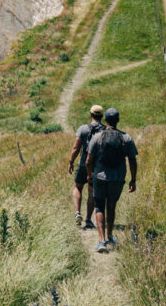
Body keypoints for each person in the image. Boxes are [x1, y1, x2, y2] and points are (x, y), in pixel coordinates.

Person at [86, 107, 137, 253]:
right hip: (118, 177)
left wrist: (90, 174)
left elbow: (89, 160)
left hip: (100, 177)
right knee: (112, 206)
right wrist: (133, 180)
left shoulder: (97, 137)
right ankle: (109, 235)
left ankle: (101, 241)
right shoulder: (126, 137)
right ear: (118, 120)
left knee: (99, 206)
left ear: (105, 120)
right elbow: (132, 160)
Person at [67, 105, 105, 229]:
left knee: (78, 187)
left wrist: (71, 161)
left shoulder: (83, 129)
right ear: (102, 116)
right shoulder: (105, 131)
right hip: (97, 166)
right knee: (92, 192)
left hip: (83, 164)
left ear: (90, 115)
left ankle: (78, 212)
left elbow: (76, 148)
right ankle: (88, 219)